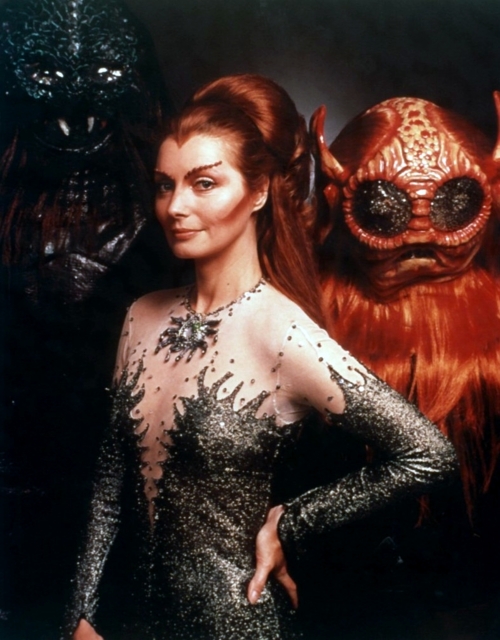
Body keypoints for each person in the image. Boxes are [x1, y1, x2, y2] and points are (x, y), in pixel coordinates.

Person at [66, 73, 458, 640]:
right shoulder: (141, 315)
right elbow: (110, 480)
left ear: (258, 192)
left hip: (240, 622)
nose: (175, 206)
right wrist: (81, 613)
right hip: (133, 622)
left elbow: (429, 454)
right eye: (164, 185)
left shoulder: (282, 333)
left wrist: (291, 522)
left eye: (204, 183)